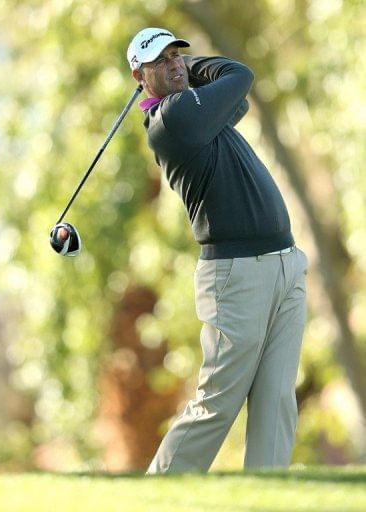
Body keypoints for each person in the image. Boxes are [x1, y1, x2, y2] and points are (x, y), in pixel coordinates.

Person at [126, 27, 308, 473]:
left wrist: (184, 70)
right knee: (218, 402)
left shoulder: (199, 112)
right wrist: (194, 69)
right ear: (139, 75)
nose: (174, 64)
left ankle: (267, 498)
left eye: (177, 56)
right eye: (161, 61)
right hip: (236, 276)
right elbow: (239, 74)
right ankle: (156, 493)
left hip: (285, 263)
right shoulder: (174, 122)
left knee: (276, 399)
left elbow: (235, 97)